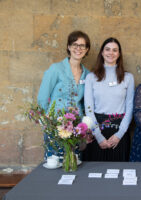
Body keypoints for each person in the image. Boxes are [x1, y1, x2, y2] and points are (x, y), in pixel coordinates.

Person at [37, 30, 91, 159]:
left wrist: (85, 126)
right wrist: (47, 122)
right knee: (54, 161)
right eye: (74, 44)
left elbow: (85, 103)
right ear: (68, 47)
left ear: (87, 49)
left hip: (76, 127)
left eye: (82, 45)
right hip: (55, 125)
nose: (78, 48)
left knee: (74, 161)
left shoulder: (88, 74)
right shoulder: (56, 69)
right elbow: (42, 97)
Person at [83, 37, 134, 161]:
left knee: (119, 173)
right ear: (102, 52)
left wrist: (119, 134)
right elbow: (88, 109)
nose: (111, 53)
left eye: (115, 50)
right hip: (97, 130)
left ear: (119, 53)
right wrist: (99, 137)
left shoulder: (128, 77)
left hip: (119, 131)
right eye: (107, 49)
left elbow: (130, 107)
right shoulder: (91, 77)